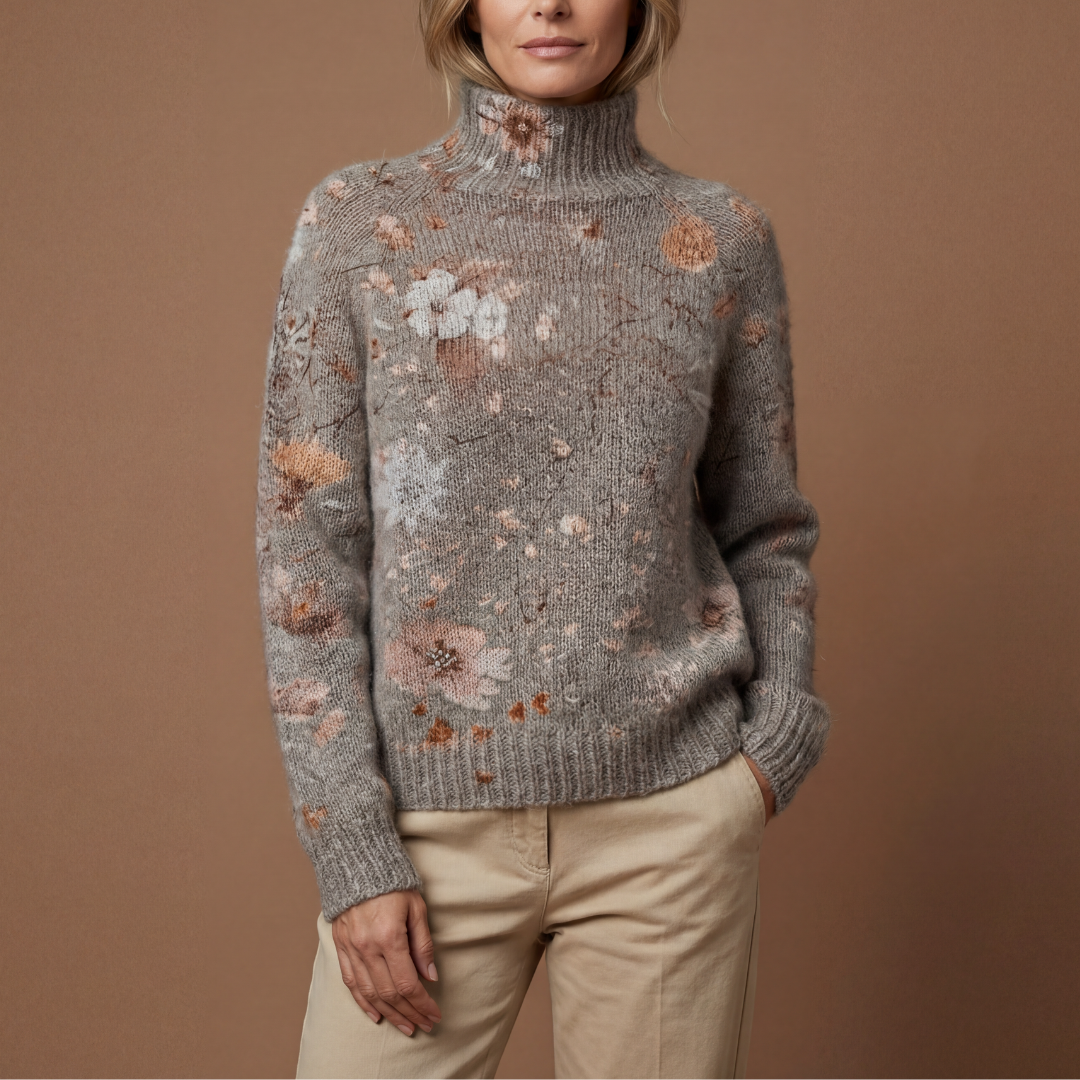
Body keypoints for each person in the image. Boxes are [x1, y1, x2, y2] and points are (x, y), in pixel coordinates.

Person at [255, 1, 830, 1076]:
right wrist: (353, 850)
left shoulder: (720, 239)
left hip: (670, 827)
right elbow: (307, 561)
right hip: (426, 836)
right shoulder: (358, 224)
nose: (552, 3)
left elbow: (765, 522)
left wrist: (773, 746)